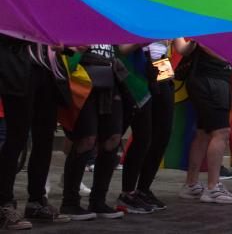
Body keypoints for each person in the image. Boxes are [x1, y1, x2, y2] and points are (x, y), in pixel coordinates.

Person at [0, 35, 71, 229]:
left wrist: (62, 44)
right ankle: (4, 203)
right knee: (17, 138)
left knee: (45, 138)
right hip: (19, 64)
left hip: (47, 67)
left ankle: (36, 201)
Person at [60, 44, 127, 219]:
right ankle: (69, 203)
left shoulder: (115, 18)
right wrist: (75, 49)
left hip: (110, 77)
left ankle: (98, 201)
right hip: (82, 79)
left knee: (113, 138)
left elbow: (124, 47)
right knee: (86, 139)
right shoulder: (78, 18)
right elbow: (60, 48)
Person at [117, 39, 180, 212]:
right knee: (144, 134)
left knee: (164, 133)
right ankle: (128, 191)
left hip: (162, 64)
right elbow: (124, 47)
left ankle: (143, 188)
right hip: (141, 63)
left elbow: (182, 46)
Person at [178, 39, 232, 204]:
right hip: (210, 80)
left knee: (204, 133)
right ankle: (213, 187)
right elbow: (203, 43)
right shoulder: (208, 20)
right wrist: (230, 58)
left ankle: (191, 184)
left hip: (208, 79)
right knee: (221, 132)